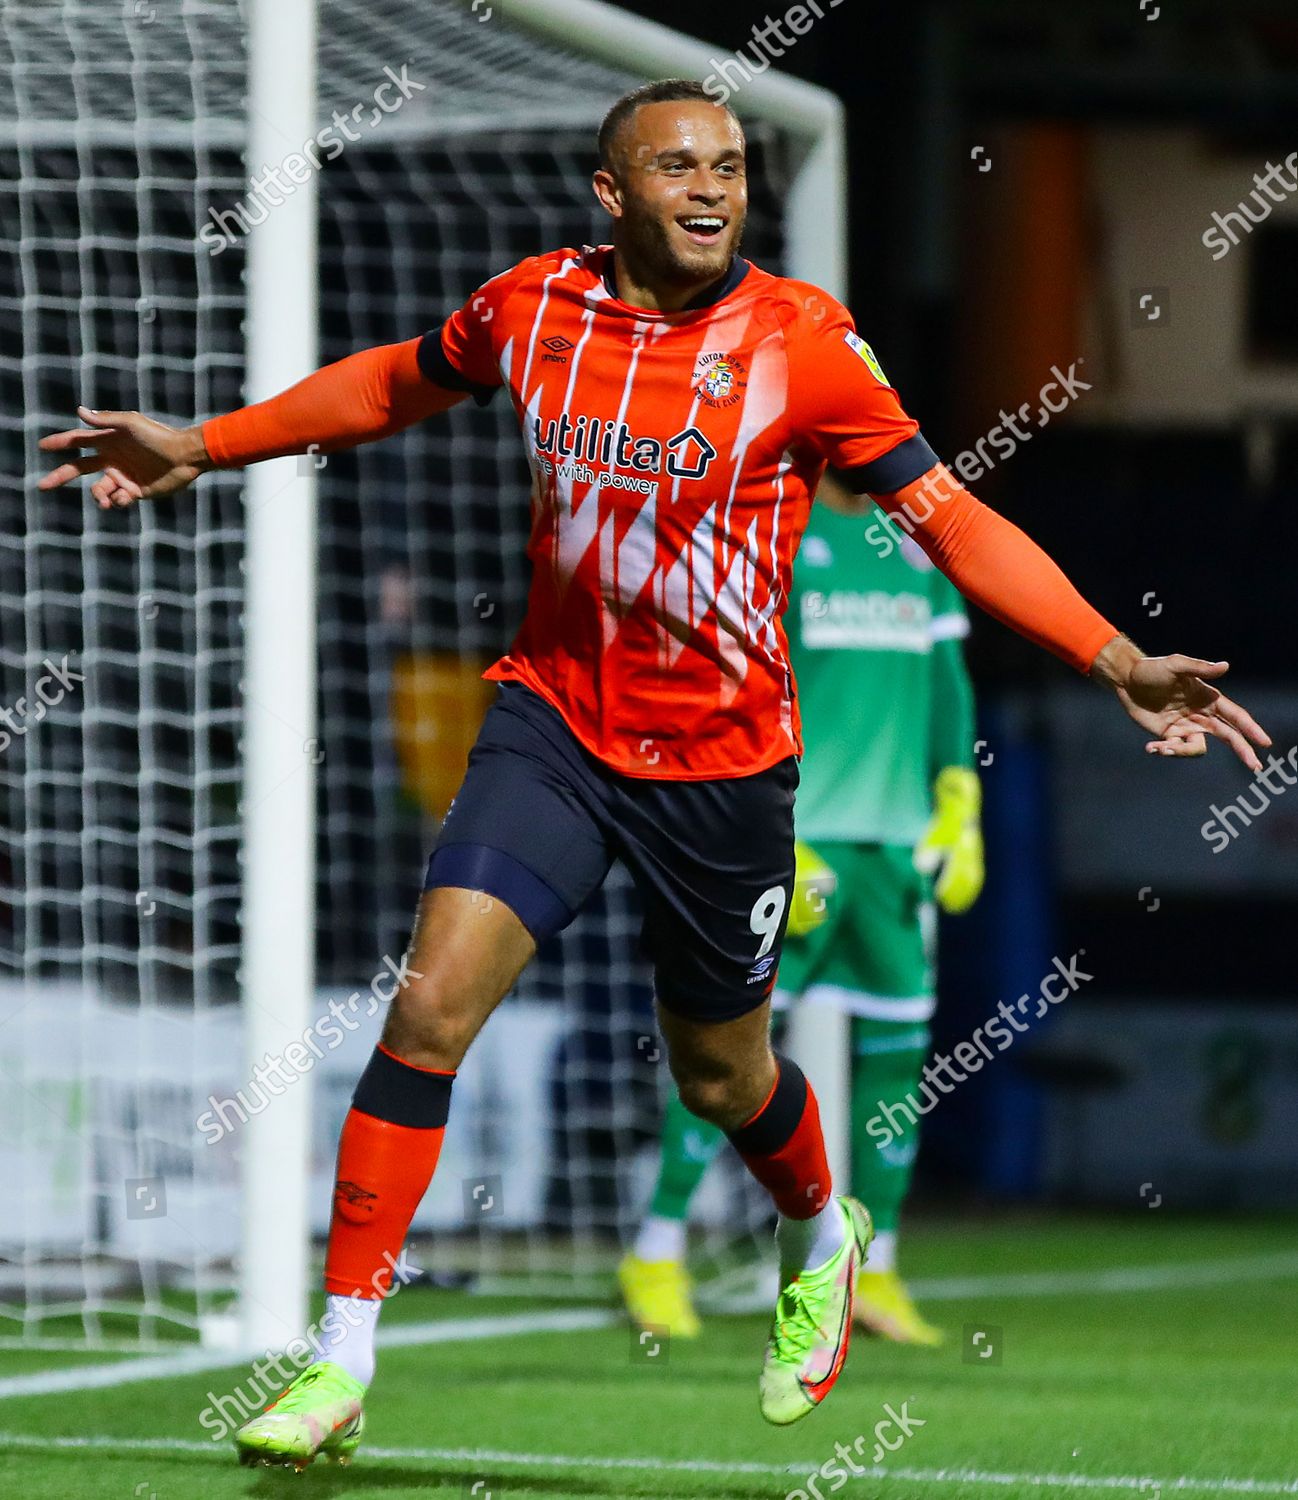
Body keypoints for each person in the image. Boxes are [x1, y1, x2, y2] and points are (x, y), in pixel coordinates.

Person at [40, 78, 1268, 1470]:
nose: (710, 188)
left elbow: (953, 520)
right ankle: (338, 1360)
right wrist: (207, 441)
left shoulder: (803, 343)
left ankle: (818, 1237)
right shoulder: (531, 306)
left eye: (731, 168)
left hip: (721, 765)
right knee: (430, 1004)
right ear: (609, 193)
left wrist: (1113, 657)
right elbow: (393, 381)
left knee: (721, 1077)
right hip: (550, 725)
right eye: (678, 166)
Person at [620, 473, 982, 1347]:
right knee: (729, 1049)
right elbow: (739, 680)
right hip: (797, 841)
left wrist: (960, 796)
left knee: (899, 1053)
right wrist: (767, 824)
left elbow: (947, 682)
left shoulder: (918, 542)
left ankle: (879, 1267)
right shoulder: (778, 534)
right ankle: (657, 1250)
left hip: (893, 849)